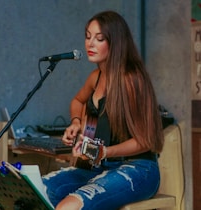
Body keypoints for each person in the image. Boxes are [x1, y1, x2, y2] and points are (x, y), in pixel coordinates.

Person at [42, 10, 164, 210]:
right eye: (88, 37)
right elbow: (78, 101)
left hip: (138, 169)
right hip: (96, 167)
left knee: (69, 207)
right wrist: (76, 122)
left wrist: (105, 152)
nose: (90, 44)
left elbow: (146, 140)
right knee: (36, 191)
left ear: (115, 42)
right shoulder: (95, 76)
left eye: (99, 39)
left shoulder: (132, 80)